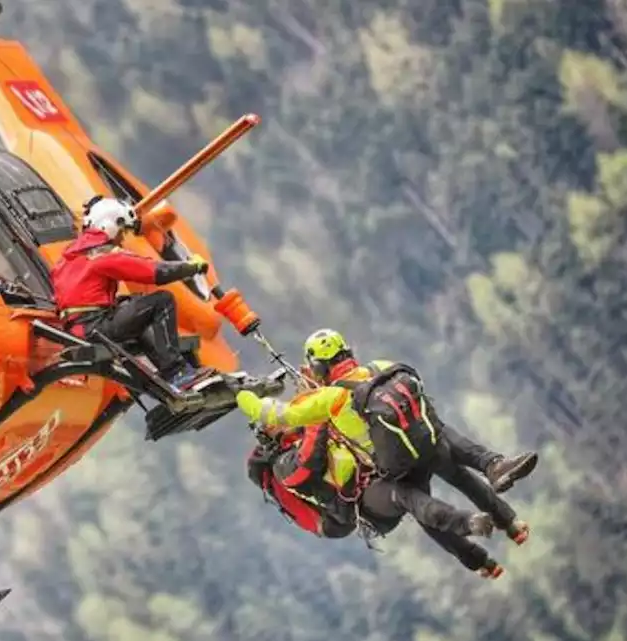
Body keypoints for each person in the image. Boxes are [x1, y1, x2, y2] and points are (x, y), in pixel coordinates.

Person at [236, 328, 538, 544]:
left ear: (316, 368)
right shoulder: (377, 368)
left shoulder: (328, 400)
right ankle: (496, 475)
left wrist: (244, 397)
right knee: (449, 453)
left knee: (416, 499)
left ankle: (474, 523)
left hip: (393, 463)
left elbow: (279, 415)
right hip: (423, 439)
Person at [247, 422, 507, 578]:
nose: (284, 421)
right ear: (270, 436)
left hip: (363, 489)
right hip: (354, 510)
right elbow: (311, 459)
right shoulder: (283, 466)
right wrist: (314, 417)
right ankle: (468, 522)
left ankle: (478, 561)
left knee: (419, 506)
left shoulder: (293, 443)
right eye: (277, 421)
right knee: (407, 497)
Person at [50, 195, 211, 390]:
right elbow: (153, 271)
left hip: (79, 329)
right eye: (122, 231)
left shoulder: (68, 258)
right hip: (95, 329)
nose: (122, 238)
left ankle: (174, 376)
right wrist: (190, 267)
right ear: (110, 225)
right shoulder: (102, 253)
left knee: (135, 306)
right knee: (162, 301)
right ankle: (177, 373)